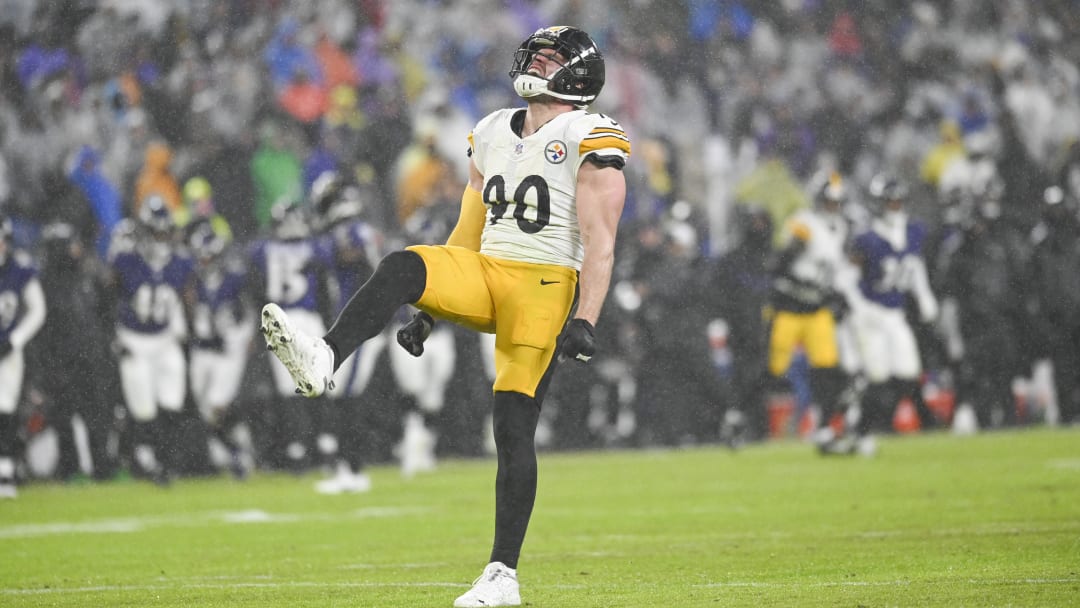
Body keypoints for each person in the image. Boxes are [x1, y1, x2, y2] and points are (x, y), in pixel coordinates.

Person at [261, 26, 628, 607]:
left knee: (512, 427)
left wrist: (587, 317)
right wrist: (430, 309)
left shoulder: (590, 134)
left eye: (551, 57)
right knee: (405, 265)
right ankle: (325, 355)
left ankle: (502, 574)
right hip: (490, 270)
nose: (535, 61)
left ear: (576, 75)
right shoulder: (490, 130)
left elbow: (600, 240)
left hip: (545, 284)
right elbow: (469, 227)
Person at [846, 174, 939, 454]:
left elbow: (914, 266)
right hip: (870, 314)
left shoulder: (913, 231)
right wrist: (861, 309)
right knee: (878, 376)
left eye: (899, 201)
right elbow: (848, 279)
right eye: (890, 201)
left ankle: (867, 422)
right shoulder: (865, 238)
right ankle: (860, 429)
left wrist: (924, 297)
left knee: (908, 372)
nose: (896, 206)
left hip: (895, 313)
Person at [764, 171, 855, 453]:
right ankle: (740, 416)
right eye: (828, 201)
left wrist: (839, 296)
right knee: (772, 367)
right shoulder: (804, 223)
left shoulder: (841, 228)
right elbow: (780, 261)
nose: (832, 207)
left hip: (817, 307)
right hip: (791, 304)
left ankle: (825, 429)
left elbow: (838, 272)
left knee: (828, 368)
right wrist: (795, 264)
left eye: (835, 202)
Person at [107, 196, 195, 485]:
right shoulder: (126, 259)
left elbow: (186, 300)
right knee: (142, 407)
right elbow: (108, 298)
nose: (161, 238)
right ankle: (145, 459)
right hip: (134, 339)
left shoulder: (180, 261)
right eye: (156, 232)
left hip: (165, 337)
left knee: (171, 401)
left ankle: (165, 461)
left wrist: (184, 333)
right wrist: (115, 336)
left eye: (164, 232)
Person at [0, 214, 47, 498]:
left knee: (4, 410)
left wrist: (15, 340)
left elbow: (38, 310)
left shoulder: (18, 268)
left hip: (6, 350)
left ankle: (4, 471)